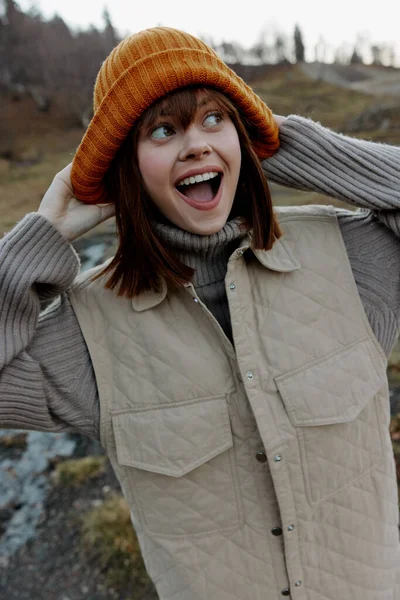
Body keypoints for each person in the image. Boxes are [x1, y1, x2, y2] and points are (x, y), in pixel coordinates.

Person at [1, 25, 400, 600]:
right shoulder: (89, 330)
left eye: (214, 119)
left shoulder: (356, 262)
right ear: (127, 167)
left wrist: (286, 147)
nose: (195, 144)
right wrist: (38, 245)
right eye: (163, 130)